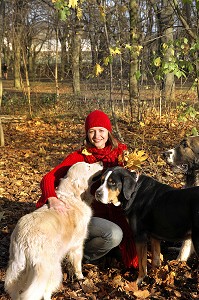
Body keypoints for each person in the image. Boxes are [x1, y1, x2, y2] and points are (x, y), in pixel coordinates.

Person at [36, 110, 138, 269]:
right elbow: (48, 178)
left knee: (129, 241)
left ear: (108, 133)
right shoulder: (78, 157)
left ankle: (106, 252)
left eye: (101, 131)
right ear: (87, 134)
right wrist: (52, 198)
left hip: (116, 214)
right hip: (88, 216)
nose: (97, 135)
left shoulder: (119, 155)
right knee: (114, 235)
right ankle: (78, 259)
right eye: (92, 131)